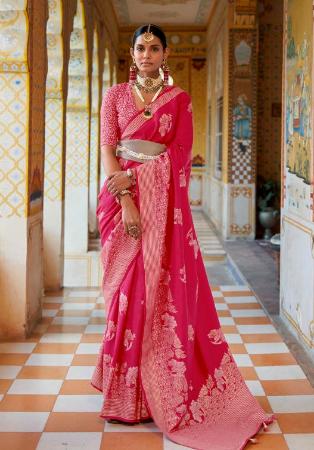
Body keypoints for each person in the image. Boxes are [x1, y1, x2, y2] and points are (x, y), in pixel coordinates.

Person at [91, 23, 275, 450]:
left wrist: (144, 187)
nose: (146, 54)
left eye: (154, 48)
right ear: (132, 53)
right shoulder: (114, 96)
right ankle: (124, 390)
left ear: (166, 54)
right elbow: (107, 147)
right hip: (120, 201)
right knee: (124, 292)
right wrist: (126, 199)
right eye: (140, 47)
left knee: (152, 292)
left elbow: (178, 158)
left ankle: (152, 393)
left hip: (162, 211)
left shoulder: (180, 101)